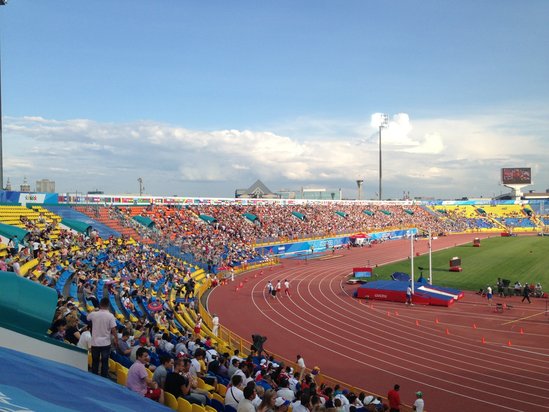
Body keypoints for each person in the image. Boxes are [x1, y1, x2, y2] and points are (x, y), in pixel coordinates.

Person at [87, 297, 118, 377]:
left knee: (95, 362)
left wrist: (95, 309)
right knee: (105, 362)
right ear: (108, 305)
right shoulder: (110, 316)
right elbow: (114, 329)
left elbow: (87, 317)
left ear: (100, 304)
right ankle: (103, 379)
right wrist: (116, 339)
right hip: (105, 343)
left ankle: (94, 377)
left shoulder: (94, 314)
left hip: (95, 342)